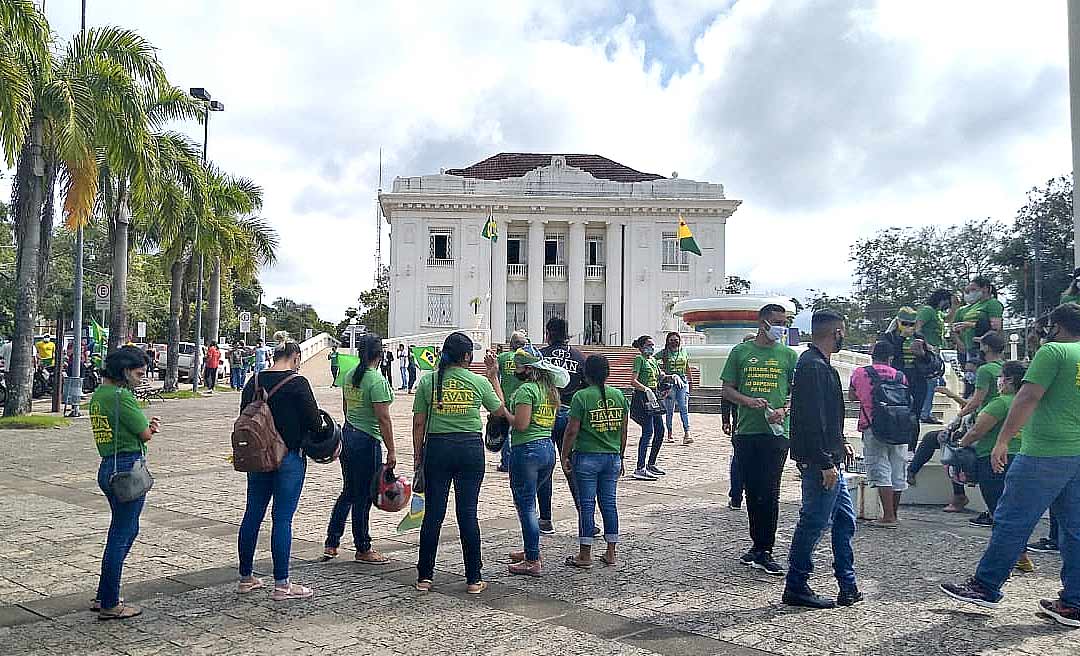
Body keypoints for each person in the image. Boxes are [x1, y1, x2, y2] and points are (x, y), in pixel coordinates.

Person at [940, 303, 1080, 628]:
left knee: (1012, 520)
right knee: (1075, 529)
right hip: (1076, 453)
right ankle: (1074, 602)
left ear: (1056, 327)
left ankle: (986, 585)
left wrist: (1003, 440)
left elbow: (1027, 397)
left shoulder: (1053, 352)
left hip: (1043, 452)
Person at [413, 332, 506, 595]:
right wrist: (493, 376)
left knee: (433, 514)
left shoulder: (428, 381)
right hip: (469, 449)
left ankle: (424, 577)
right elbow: (499, 410)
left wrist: (418, 457)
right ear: (467, 356)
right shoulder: (478, 381)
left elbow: (418, 423)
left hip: (438, 448)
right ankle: (474, 578)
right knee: (467, 513)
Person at [237, 333, 323, 601]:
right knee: (282, 519)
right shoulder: (297, 383)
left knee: (252, 514)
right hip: (288, 458)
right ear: (295, 357)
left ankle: (246, 578)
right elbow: (314, 423)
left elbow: (244, 414)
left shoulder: (255, 381)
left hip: (258, 457)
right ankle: (282, 584)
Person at [784, 310, 860, 609]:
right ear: (836, 332)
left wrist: (840, 442)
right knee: (814, 523)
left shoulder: (819, 364)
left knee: (844, 520)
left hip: (829, 457)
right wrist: (825, 461)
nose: (844, 337)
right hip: (820, 462)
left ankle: (848, 585)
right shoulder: (812, 366)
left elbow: (827, 416)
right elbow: (811, 419)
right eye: (843, 332)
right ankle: (796, 584)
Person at [720, 304, 798, 576]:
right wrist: (747, 401)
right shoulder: (740, 352)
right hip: (746, 431)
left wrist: (784, 409)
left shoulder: (788, 355)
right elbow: (727, 389)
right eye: (777, 322)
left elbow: (796, 392)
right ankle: (756, 545)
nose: (781, 327)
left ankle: (766, 548)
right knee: (752, 490)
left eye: (784, 322)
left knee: (771, 490)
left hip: (776, 433)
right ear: (762, 323)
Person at [90, 345, 161, 619]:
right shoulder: (122, 397)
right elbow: (144, 434)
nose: (141, 379)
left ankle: (103, 594)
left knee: (121, 531)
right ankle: (110, 602)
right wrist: (151, 428)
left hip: (108, 465)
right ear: (125, 371)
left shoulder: (100, 395)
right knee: (122, 534)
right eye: (139, 374)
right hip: (128, 469)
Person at [324, 334, 398, 563]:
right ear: (380, 354)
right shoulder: (376, 380)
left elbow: (346, 408)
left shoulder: (349, 376)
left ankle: (332, 542)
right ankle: (363, 547)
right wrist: (392, 450)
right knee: (364, 496)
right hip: (367, 440)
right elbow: (383, 419)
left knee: (349, 491)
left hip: (348, 436)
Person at [506, 345, 568, 577]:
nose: (515, 370)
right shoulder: (548, 389)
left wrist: (504, 414)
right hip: (546, 449)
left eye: (518, 366)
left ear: (528, 369)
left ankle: (532, 559)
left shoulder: (526, 391)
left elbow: (521, 424)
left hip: (527, 450)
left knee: (526, 506)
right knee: (529, 502)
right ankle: (530, 548)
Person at [562, 354, 628, 568]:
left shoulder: (580, 397)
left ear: (585, 373)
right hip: (612, 456)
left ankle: (585, 553)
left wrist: (564, 454)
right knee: (609, 503)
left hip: (586, 456)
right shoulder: (619, 395)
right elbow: (624, 430)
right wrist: (621, 455)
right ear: (607, 373)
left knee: (587, 505)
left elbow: (572, 430)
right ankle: (611, 551)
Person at [956, 361, 1030, 543]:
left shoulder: (1001, 402)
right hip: (1023, 456)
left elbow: (977, 431)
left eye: (1000, 376)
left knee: (997, 506)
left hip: (994, 458)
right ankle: (1018, 548)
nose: (999, 380)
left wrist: (961, 443)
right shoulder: (1028, 402)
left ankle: (1007, 547)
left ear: (1009, 380)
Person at [848, 340, 909, 528]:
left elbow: (852, 396)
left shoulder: (861, 373)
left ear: (872, 355)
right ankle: (893, 514)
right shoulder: (900, 375)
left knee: (880, 467)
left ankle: (887, 516)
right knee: (898, 469)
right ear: (890, 357)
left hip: (873, 425)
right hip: (899, 426)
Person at [538, 317, 586, 534]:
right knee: (572, 467)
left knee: (545, 468)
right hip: (570, 415)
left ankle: (545, 518)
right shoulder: (578, 357)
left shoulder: (541, 356)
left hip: (546, 414)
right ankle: (585, 517)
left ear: (548, 334)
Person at [880, 307, 938, 444]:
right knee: (897, 412)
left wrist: (922, 354)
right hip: (898, 379)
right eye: (904, 323)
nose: (908, 327)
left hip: (917, 378)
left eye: (911, 324)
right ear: (898, 322)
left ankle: (911, 446)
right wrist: (901, 338)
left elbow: (928, 361)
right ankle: (895, 441)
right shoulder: (889, 337)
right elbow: (889, 355)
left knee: (914, 415)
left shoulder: (919, 338)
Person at [630, 335, 667, 481]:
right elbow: (633, 380)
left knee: (660, 430)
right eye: (648, 345)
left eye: (652, 345)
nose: (651, 348)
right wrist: (645, 389)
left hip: (654, 397)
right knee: (648, 431)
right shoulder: (639, 359)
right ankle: (640, 467)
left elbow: (660, 376)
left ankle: (651, 463)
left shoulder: (653, 360)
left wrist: (671, 377)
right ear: (641, 347)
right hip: (643, 397)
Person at [916, 289, 956, 423]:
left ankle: (925, 411)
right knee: (932, 382)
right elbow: (917, 328)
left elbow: (948, 319)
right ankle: (925, 413)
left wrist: (955, 307)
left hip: (936, 352)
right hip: (927, 352)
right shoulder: (927, 311)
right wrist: (925, 344)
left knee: (937, 381)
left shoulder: (937, 313)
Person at [951, 276, 1004, 366]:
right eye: (969, 290)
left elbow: (996, 327)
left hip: (982, 348)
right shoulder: (973, 306)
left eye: (974, 289)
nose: (971, 293)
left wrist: (971, 326)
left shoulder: (992, 303)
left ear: (985, 288)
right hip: (969, 346)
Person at [495, 331, 528, 473]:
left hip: (505, 398)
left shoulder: (502, 358)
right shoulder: (526, 358)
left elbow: (495, 377)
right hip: (524, 400)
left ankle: (506, 462)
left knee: (505, 432)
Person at [658, 331, 692, 445]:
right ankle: (669, 433)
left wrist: (690, 381)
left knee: (684, 407)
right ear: (668, 341)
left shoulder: (683, 351)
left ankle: (687, 433)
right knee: (670, 410)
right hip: (670, 383)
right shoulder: (664, 353)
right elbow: (652, 360)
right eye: (671, 340)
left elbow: (687, 366)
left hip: (682, 382)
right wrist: (662, 373)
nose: (674, 342)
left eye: (676, 340)